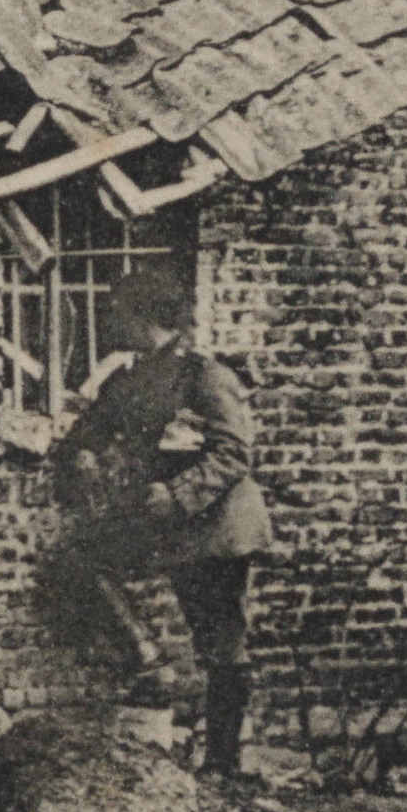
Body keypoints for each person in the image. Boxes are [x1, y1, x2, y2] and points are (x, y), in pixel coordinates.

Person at [38, 267, 274, 777]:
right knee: (81, 561)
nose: (110, 322)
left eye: (117, 312)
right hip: (163, 518)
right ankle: (147, 661)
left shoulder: (205, 376)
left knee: (219, 640)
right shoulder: (130, 376)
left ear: (144, 316)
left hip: (215, 524)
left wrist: (177, 494)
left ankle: (223, 761)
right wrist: (80, 454)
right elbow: (89, 430)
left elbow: (235, 453)